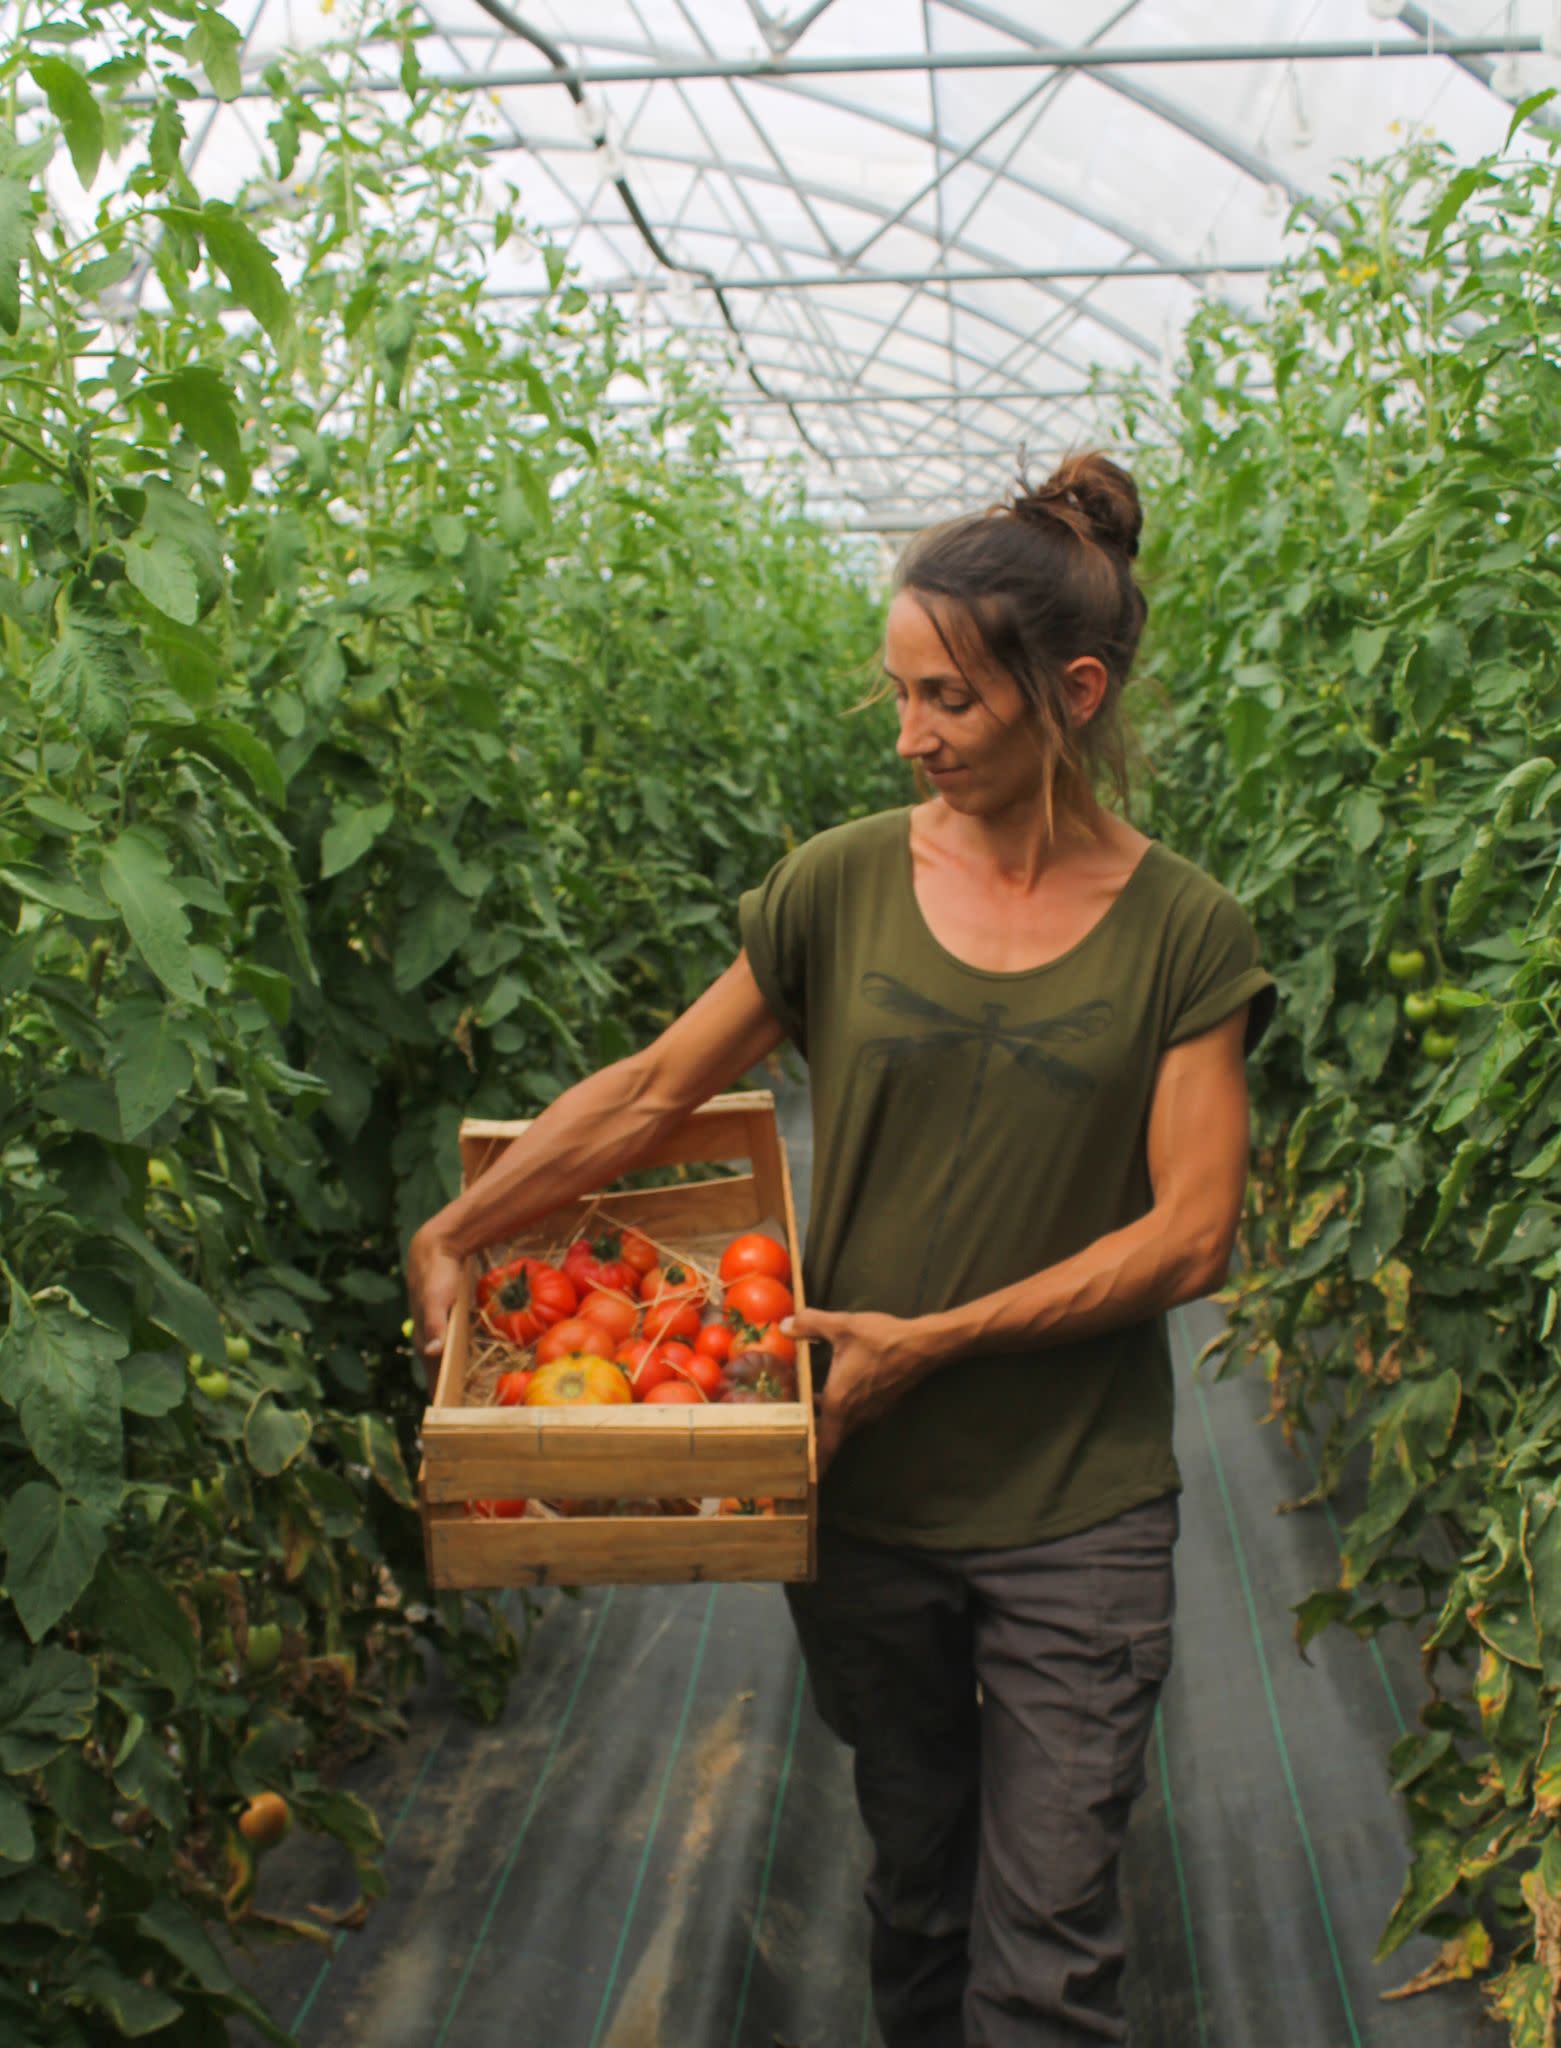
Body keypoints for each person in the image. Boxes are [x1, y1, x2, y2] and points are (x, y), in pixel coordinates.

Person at [408, 448, 1277, 2047]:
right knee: (917, 1881)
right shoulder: (839, 885)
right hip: (858, 1500)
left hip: (1075, 1510)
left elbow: (1191, 1232)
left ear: (1071, 691)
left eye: (948, 699)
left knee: (1055, 1944)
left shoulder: (1182, 932)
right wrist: (466, 1225)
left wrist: (931, 1340)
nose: (909, 736)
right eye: (897, 695)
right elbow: (663, 1090)